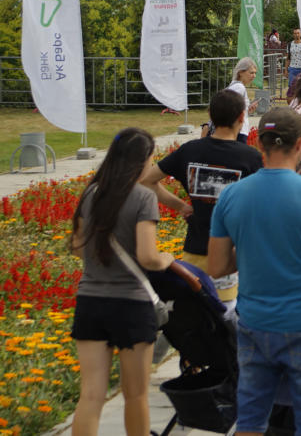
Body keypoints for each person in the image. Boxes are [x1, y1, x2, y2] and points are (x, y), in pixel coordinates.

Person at [208, 108, 301, 436]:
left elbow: (216, 266)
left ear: (260, 143)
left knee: (251, 420)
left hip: (255, 323)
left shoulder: (231, 196)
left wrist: (249, 247)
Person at [71, 128, 180, 436]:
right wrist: (168, 259)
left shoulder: (90, 193)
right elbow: (148, 257)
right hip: (131, 306)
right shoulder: (144, 197)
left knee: (91, 395)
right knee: (136, 395)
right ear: (142, 160)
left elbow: (79, 247)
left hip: (90, 302)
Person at [141, 90, 262, 307]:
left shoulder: (190, 151)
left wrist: (180, 205)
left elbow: (147, 181)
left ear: (210, 116)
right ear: (242, 117)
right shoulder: (250, 158)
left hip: (194, 253)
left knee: (198, 316)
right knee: (226, 320)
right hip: (231, 257)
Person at [227, 58, 259, 143]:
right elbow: (231, 109)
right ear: (241, 72)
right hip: (239, 131)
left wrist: (247, 110)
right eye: (251, 73)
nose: (254, 76)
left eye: (255, 73)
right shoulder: (239, 87)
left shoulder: (235, 86)